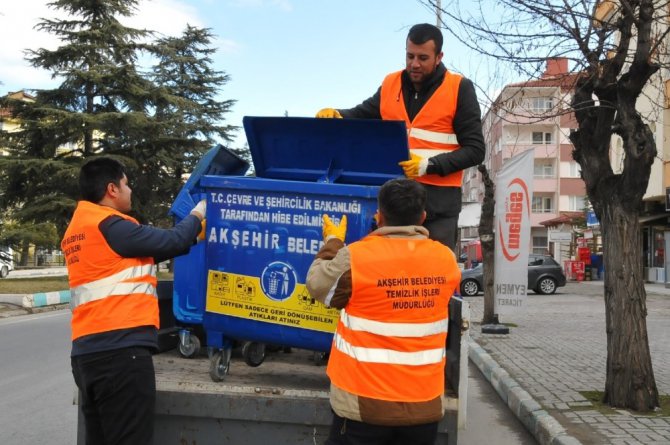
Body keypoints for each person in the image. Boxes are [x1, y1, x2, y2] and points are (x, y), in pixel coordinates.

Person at [62, 156, 206, 445]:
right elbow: (169, 241)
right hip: (120, 356)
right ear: (111, 189)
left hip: (87, 356)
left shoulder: (80, 229)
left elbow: (151, 253)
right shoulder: (110, 225)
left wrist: (191, 237)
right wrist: (197, 215)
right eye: (127, 185)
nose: (130, 191)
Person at [306, 178, 461, 445]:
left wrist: (333, 242)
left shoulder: (356, 258)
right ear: (422, 217)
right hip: (423, 407)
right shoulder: (446, 259)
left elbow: (318, 286)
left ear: (379, 216)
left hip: (362, 407)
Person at [316, 23, 485, 250]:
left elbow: (475, 150)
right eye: (410, 56)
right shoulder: (390, 83)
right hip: (393, 202)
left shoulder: (459, 88)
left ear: (439, 57)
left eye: (423, 58)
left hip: (437, 205)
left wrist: (428, 165)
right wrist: (337, 114)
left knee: (433, 277)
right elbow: (363, 114)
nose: (414, 64)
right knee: (391, 275)